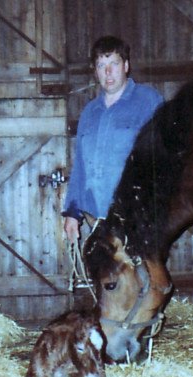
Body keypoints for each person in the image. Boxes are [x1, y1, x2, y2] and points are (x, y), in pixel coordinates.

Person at [62, 36, 164, 243]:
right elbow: (80, 167)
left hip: (137, 218)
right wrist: (72, 213)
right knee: (106, 275)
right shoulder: (90, 112)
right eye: (101, 66)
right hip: (96, 219)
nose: (108, 72)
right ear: (95, 71)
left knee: (141, 275)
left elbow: (165, 156)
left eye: (114, 64)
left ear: (126, 66)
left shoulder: (148, 101)